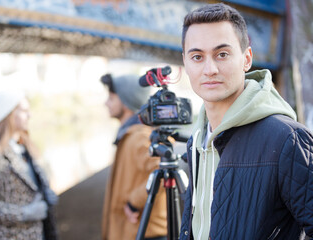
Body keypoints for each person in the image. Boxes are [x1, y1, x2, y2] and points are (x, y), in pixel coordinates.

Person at [179, 3, 313, 240]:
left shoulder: (287, 139)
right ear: (186, 63)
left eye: (222, 54)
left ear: (246, 59)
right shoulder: (197, 141)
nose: (209, 69)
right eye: (197, 57)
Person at [0, 90, 59, 240]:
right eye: (24, 110)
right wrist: (24, 213)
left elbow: (32, 187)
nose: (30, 115)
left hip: (39, 234)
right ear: (10, 114)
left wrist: (47, 194)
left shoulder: (26, 146)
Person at [100, 73, 167, 240]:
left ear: (126, 101)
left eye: (111, 98)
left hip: (145, 232)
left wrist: (133, 202)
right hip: (134, 231)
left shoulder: (140, 136)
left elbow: (163, 169)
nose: (106, 103)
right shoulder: (130, 134)